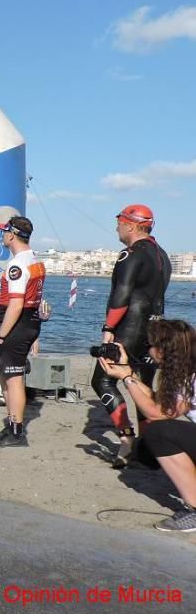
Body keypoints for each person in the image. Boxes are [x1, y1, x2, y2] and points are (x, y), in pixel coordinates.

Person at [91, 204, 171, 468]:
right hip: (155, 330)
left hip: (129, 329)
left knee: (102, 381)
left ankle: (126, 440)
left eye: (119, 222)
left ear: (131, 225)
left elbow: (121, 296)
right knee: (143, 386)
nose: (116, 227)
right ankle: (151, 450)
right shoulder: (162, 255)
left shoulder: (131, 254)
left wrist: (108, 329)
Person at [98, 319, 196, 532]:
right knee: (144, 450)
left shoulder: (192, 375)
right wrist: (128, 373)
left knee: (158, 433)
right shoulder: (187, 369)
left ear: (163, 350)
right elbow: (161, 403)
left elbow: (157, 413)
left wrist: (126, 378)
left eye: (150, 345)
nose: (148, 350)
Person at [0, 216, 46, 447]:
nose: (2, 235)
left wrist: (2, 335)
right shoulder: (35, 261)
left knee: (13, 380)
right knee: (7, 376)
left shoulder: (17, 265)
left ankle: (16, 432)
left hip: (16, 325)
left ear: (12, 235)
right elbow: (36, 300)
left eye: (4, 232)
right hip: (28, 324)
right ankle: (12, 425)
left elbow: (16, 303)